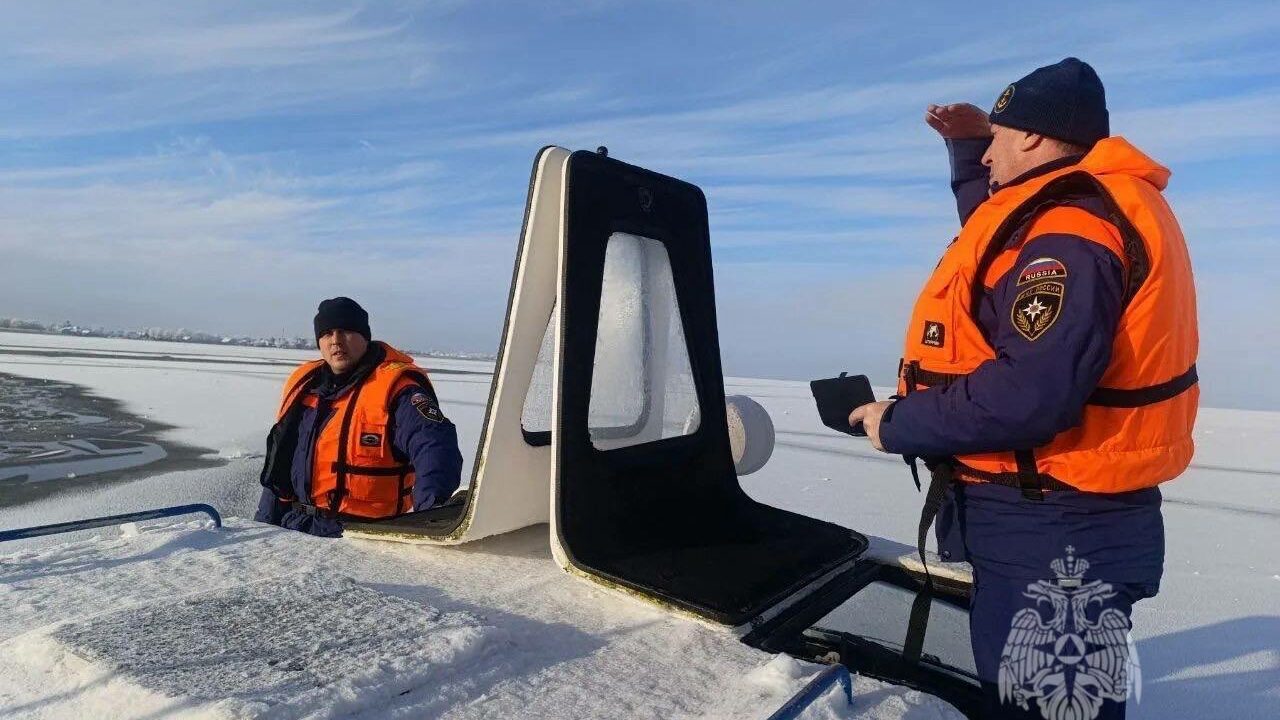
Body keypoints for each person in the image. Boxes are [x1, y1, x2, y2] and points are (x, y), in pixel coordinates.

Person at [849, 58, 1198, 719]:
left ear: (1035, 139)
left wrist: (897, 423)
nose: (989, 156)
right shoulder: (1078, 208)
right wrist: (966, 151)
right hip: (1062, 511)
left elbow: (1030, 396)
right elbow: (999, 237)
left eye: (1000, 136)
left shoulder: (1070, 233)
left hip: (1054, 519)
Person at [255, 297, 463, 537]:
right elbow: (279, 465)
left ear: (365, 336)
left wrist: (433, 516)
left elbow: (434, 446)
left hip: (366, 537)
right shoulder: (304, 387)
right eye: (327, 333)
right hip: (297, 529)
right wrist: (263, 526)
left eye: (346, 330)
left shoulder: (396, 389)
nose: (336, 341)